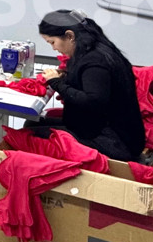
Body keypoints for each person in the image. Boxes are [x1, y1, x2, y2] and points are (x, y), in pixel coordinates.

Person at [37, 9, 145, 161]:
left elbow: (93, 101)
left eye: (52, 42)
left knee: (30, 136)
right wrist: (66, 78)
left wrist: (56, 82)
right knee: (33, 123)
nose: (54, 48)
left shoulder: (95, 61)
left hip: (114, 142)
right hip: (108, 131)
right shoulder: (95, 51)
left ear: (70, 36)